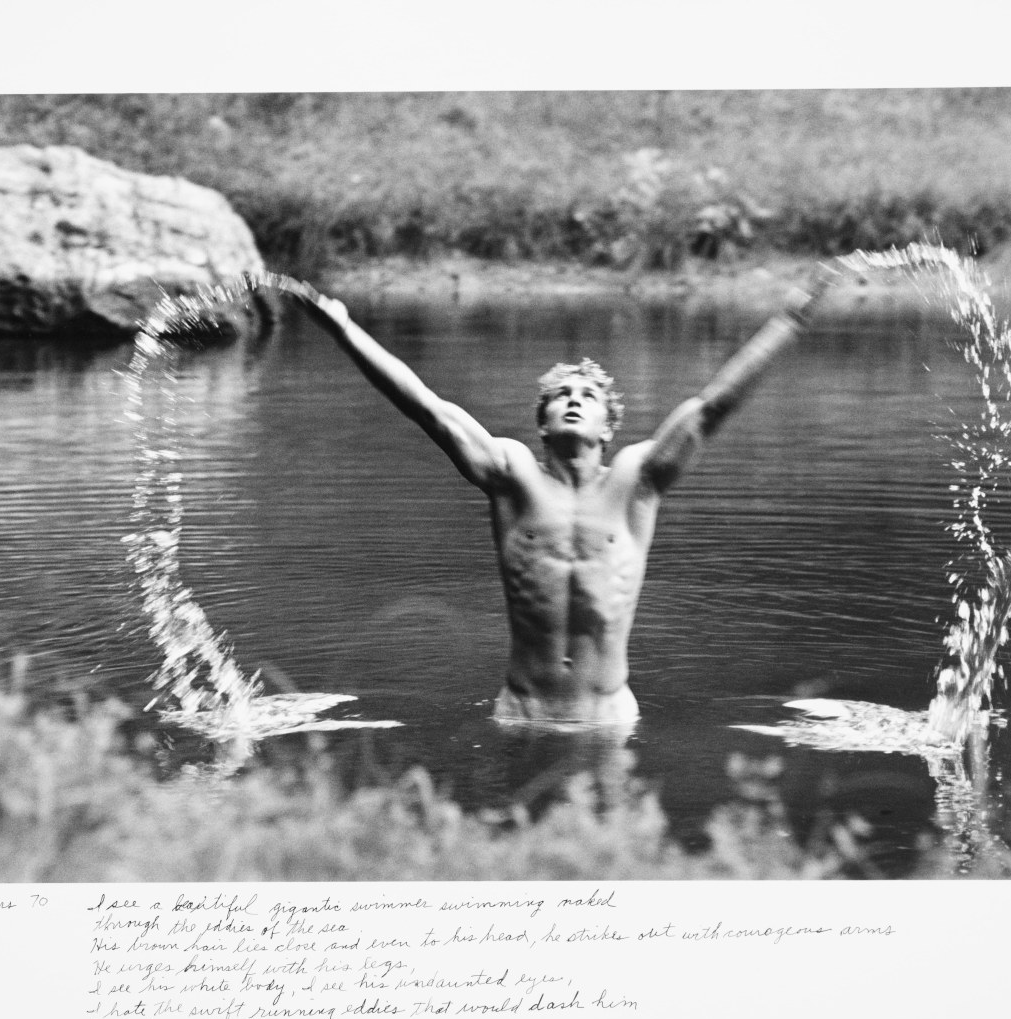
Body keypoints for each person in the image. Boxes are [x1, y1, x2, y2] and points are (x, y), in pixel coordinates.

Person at [276, 275, 828, 728]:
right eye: (561, 395)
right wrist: (344, 329)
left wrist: (789, 322)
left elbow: (710, 408)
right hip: (521, 714)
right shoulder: (512, 475)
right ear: (542, 423)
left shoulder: (636, 480)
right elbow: (427, 408)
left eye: (587, 396)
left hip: (608, 719)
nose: (573, 401)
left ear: (608, 428)